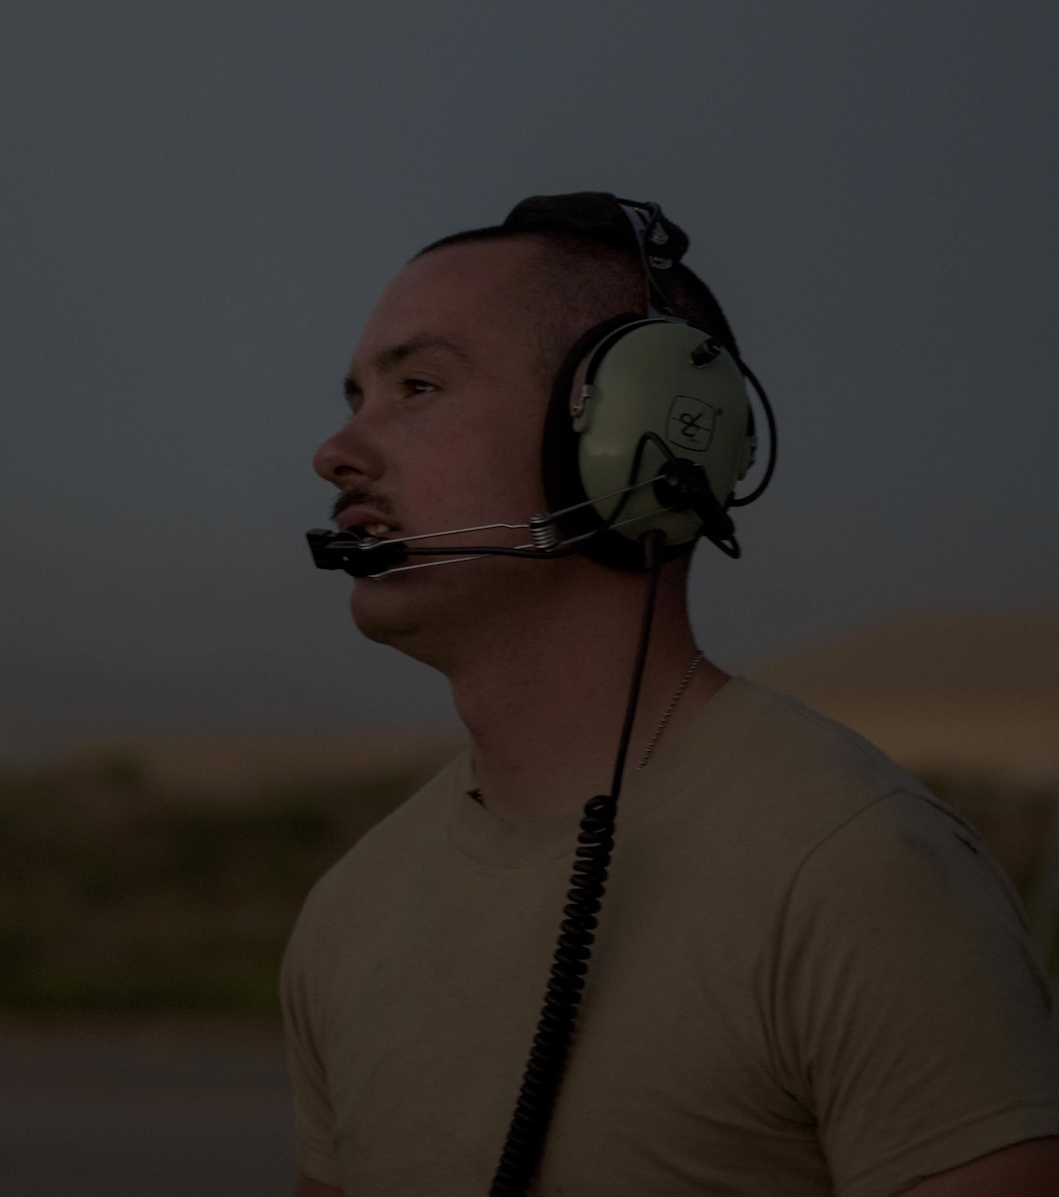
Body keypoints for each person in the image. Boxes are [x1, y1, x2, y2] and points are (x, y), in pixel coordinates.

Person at [283, 193, 1059, 1196]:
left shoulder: (855, 871)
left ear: (635, 436)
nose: (335, 453)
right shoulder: (347, 915)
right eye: (354, 399)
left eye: (417, 387)